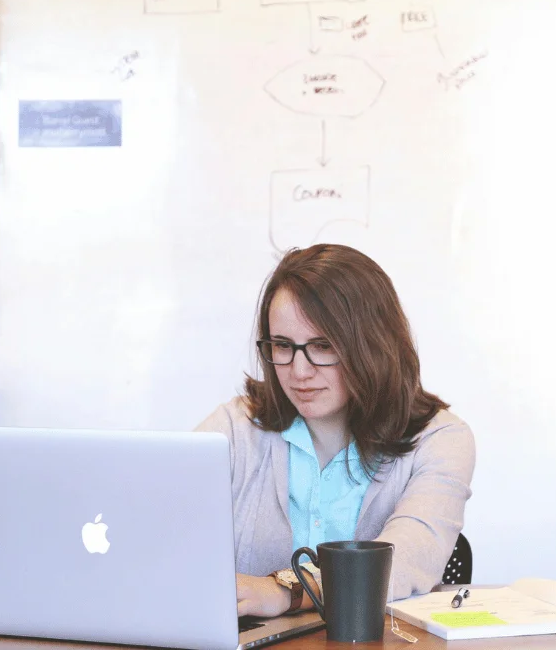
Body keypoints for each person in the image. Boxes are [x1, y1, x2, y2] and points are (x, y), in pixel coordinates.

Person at [195, 243, 475, 617]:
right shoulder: (235, 427)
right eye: (282, 345)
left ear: (373, 345)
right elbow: (160, 524)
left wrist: (287, 591)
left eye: (322, 346)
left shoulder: (441, 441)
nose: (299, 371)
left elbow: (406, 558)